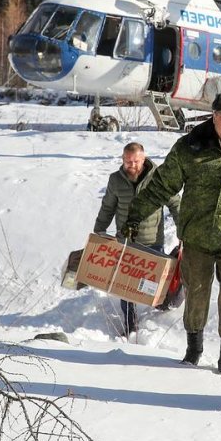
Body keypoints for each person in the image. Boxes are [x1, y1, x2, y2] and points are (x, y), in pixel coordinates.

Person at [125, 93, 221, 375]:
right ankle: (193, 350)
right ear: (213, 117)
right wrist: (134, 215)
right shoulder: (190, 148)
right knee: (196, 295)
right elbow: (161, 185)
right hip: (196, 239)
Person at [93, 142, 180, 336]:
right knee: (125, 286)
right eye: (127, 161)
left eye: (135, 161)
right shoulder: (115, 180)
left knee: (157, 284)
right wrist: (99, 231)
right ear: (123, 160)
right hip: (126, 241)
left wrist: (182, 229)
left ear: (144, 159)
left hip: (152, 241)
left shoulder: (158, 177)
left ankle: (162, 310)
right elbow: (108, 207)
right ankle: (130, 324)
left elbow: (175, 203)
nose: (131, 165)